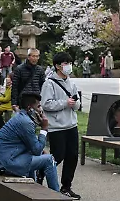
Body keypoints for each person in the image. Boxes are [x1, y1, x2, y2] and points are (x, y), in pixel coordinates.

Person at [0, 92, 61, 193]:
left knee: (32, 157)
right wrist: (44, 129)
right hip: (4, 164)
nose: (41, 110)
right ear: (30, 108)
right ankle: (57, 196)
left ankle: (32, 192)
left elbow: (33, 148)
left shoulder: (20, 117)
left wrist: (40, 150)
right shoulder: (26, 122)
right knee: (49, 160)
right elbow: (36, 150)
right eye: (38, 106)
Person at [41, 52, 82, 199]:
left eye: (70, 63)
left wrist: (75, 103)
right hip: (56, 126)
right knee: (58, 155)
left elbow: (77, 104)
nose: (68, 66)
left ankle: (66, 186)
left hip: (71, 124)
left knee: (72, 156)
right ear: (58, 66)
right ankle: (41, 170)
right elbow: (46, 104)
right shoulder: (49, 83)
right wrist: (65, 103)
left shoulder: (71, 83)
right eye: (65, 63)